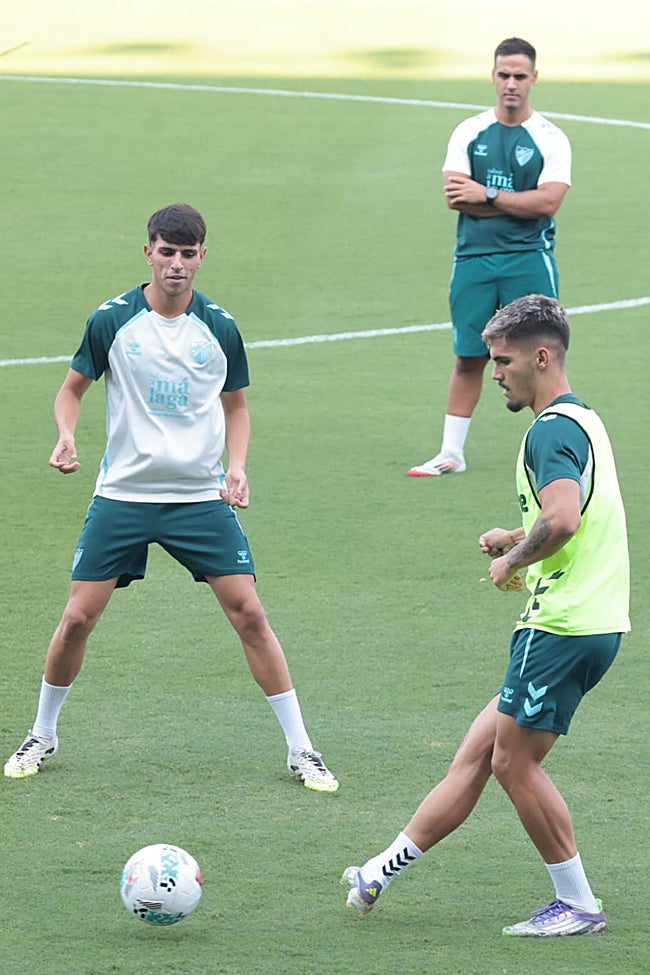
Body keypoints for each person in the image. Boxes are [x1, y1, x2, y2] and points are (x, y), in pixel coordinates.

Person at [4, 203, 338, 793]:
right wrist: (65, 434)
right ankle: (42, 733)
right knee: (78, 617)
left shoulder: (220, 328)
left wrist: (238, 467)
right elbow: (71, 390)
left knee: (250, 614)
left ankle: (301, 748)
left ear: (202, 256)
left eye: (188, 254)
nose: (176, 264)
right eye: (166, 252)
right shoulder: (112, 320)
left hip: (198, 497)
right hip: (123, 494)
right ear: (148, 253)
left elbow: (236, 406)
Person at [343, 295, 630, 935]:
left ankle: (579, 905)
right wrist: (517, 534)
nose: (494, 372)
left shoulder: (549, 430)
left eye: (503, 361)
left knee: (512, 763)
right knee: (479, 752)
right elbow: (571, 511)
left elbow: (564, 519)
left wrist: (514, 561)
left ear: (541, 357)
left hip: (561, 624)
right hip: (592, 619)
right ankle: (378, 872)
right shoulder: (582, 419)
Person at [409, 37, 572, 477]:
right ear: (493, 77)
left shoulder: (551, 139)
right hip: (474, 258)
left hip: (529, 257)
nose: (511, 84)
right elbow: (455, 196)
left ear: (534, 78)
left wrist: (488, 194)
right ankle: (451, 453)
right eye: (504, 75)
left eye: (520, 75)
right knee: (468, 356)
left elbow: (548, 203)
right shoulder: (469, 131)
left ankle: (555, 447)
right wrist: (517, 202)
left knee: (543, 355)